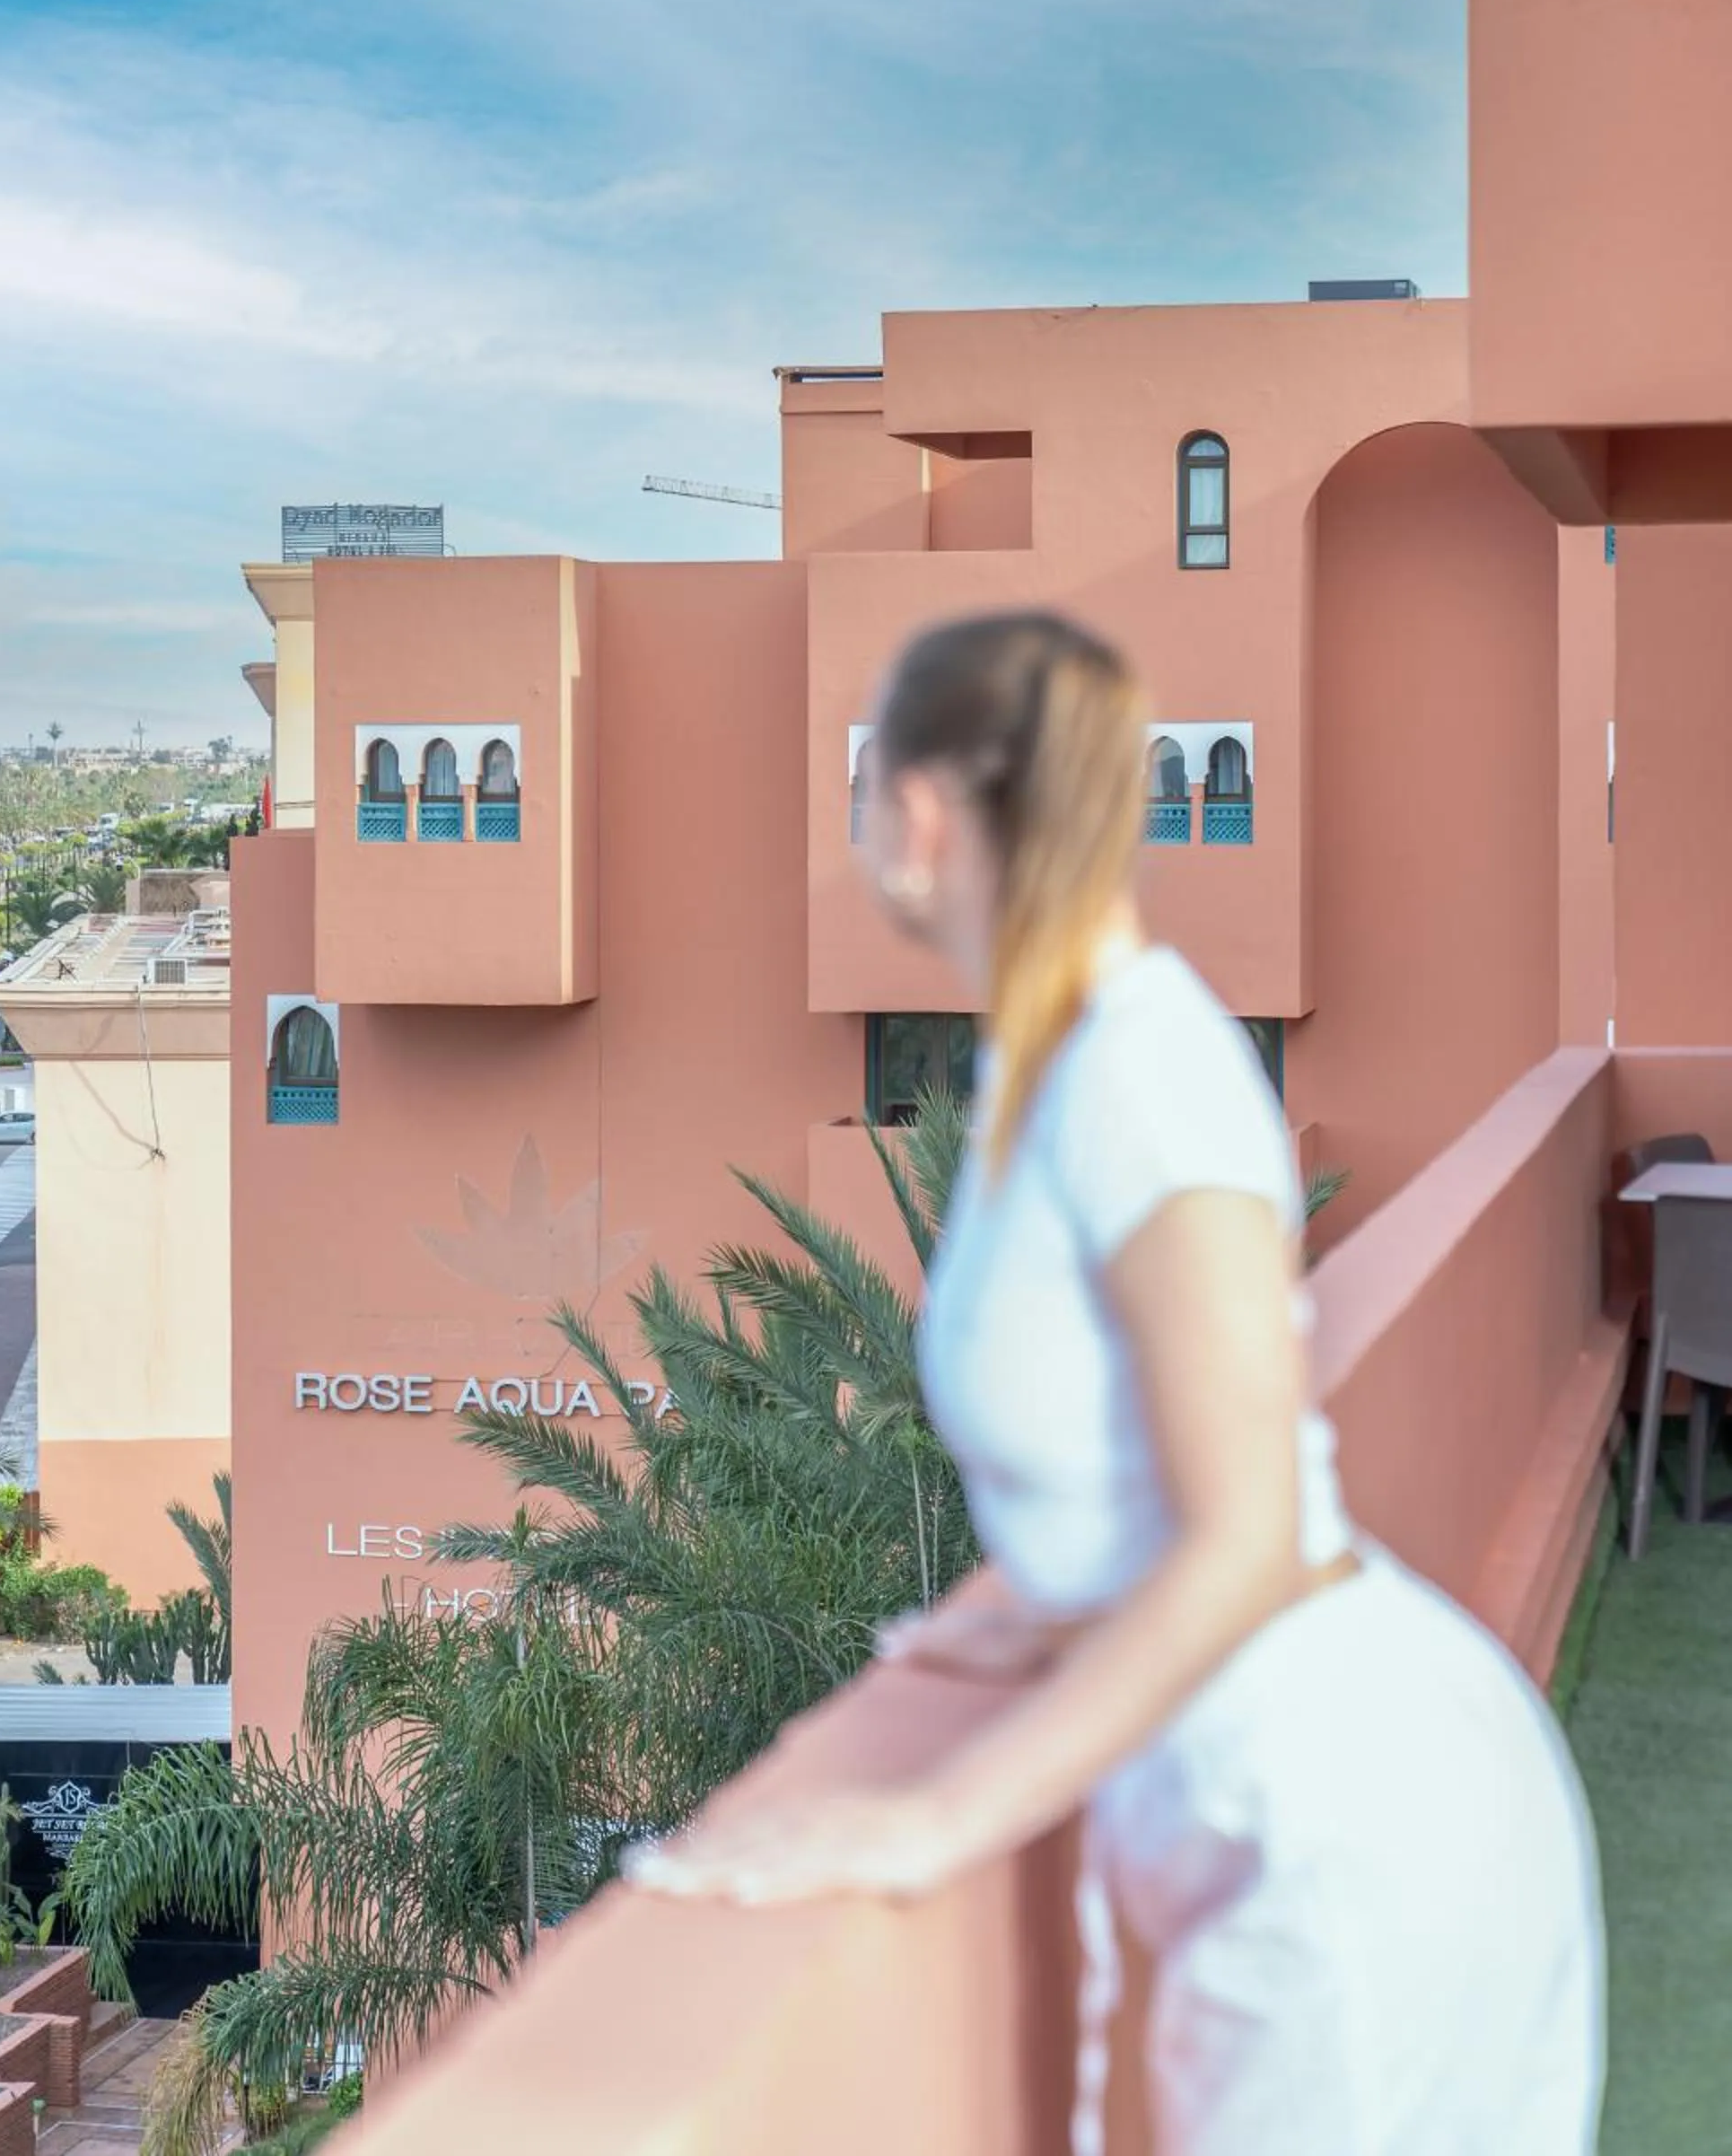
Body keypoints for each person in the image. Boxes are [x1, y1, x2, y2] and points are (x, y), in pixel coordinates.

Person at [625, 609, 1605, 2153]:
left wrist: (928, 1817)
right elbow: (1121, 1458)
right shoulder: (1045, 1063)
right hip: (1255, 1811)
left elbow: (1250, 1529)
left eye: (862, 779)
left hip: (1340, 1825)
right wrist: (1043, 1601)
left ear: (923, 812)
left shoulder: (1143, 1066)